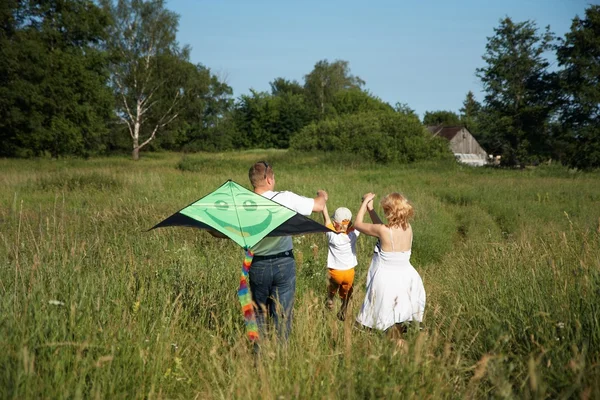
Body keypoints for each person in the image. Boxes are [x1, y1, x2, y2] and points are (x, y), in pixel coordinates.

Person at [248, 161, 328, 341]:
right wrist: (322, 195)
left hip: (257, 264)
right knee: (282, 317)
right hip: (284, 263)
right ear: (268, 179)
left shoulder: (244, 203)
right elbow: (318, 206)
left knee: (259, 316)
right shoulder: (285, 198)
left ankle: (258, 361)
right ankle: (281, 362)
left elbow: (219, 232)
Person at [353, 192, 426, 336]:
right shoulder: (408, 228)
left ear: (389, 210)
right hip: (407, 277)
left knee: (378, 318)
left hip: (387, 279)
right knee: (399, 322)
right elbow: (382, 228)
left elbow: (357, 224)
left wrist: (365, 202)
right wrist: (371, 210)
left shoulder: (383, 230)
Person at [322, 204, 360, 321]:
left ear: (335, 223)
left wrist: (323, 203)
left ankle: (330, 300)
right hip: (349, 273)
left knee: (332, 289)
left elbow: (326, 218)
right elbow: (359, 222)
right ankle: (343, 310)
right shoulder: (353, 235)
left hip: (335, 273)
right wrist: (365, 204)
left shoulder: (332, 236)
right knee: (346, 295)